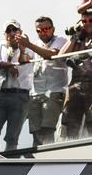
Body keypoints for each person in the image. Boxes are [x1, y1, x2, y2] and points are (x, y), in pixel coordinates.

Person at [59, 7, 92, 141]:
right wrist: (74, 37)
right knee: (71, 124)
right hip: (76, 86)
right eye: (84, 21)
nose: (88, 23)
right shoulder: (78, 40)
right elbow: (61, 56)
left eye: (91, 20)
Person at [0, 21, 33, 153]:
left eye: (15, 30)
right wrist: (8, 65)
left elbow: (24, 61)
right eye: (8, 30)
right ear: (5, 33)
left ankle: (9, 165)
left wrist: (22, 49)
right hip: (1, 93)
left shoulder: (28, 47)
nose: (12, 33)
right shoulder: (1, 45)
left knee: (12, 138)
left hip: (20, 95)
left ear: (20, 32)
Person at [18, 16, 67, 146]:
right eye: (39, 30)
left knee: (47, 129)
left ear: (53, 29)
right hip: (36, 93)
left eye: (46, 29)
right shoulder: (36, 44)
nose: (43, 32)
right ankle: (36, 160)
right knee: (35, 132)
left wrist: (28, 45)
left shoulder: (61, 40)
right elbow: (23, 61)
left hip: (54, 91)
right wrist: (22, 49)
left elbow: (50, 54)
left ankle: (47, 159)